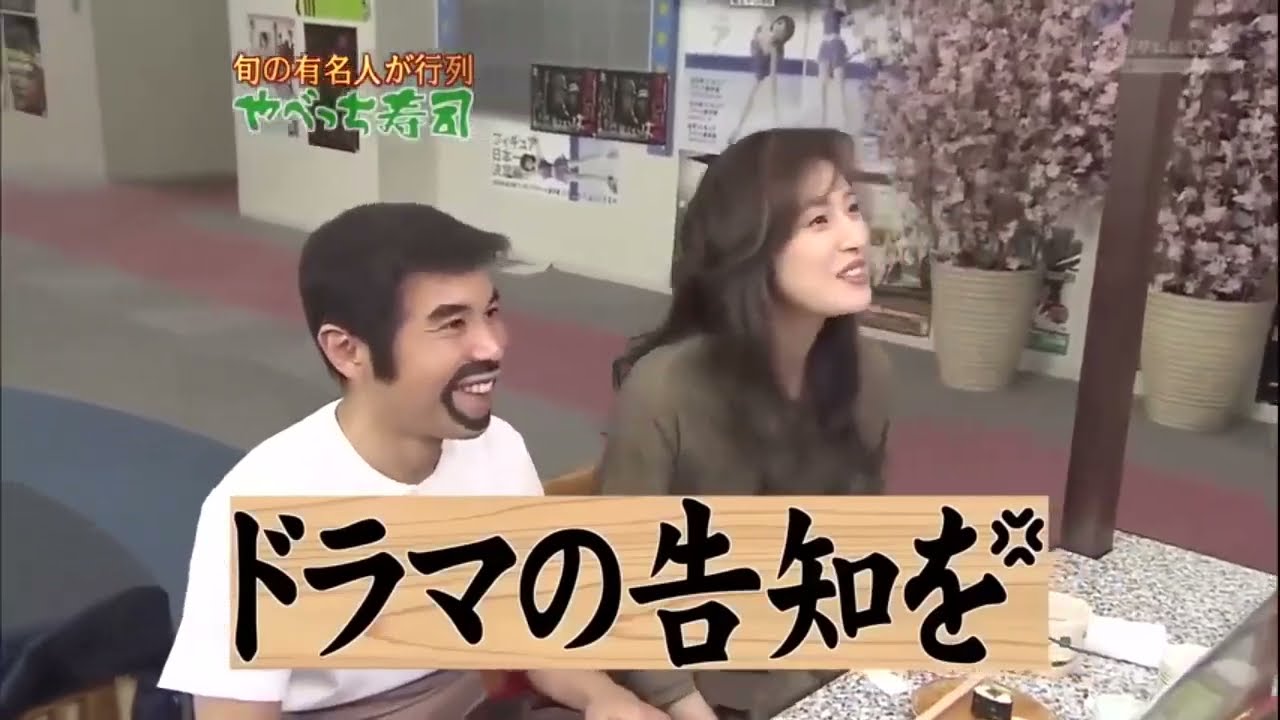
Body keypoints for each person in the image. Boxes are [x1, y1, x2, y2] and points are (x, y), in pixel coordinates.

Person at [158, 204, 666, 720]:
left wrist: (607, 700)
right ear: (347, 351)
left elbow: (539, 634)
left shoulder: (499, 448)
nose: (493, 345)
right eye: (452, 324)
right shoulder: (261, 508)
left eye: (491, 312)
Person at [600, 129, 892, 720]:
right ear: (751, 251)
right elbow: (622, 591)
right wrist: (686, 705)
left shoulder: (867, 373)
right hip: (696, 688)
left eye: (852, 209)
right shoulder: (665, 389)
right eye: (818, 221)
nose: (855, 237)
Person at [726, 15, 796, 145]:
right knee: (749, 101)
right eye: (779, 23)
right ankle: (737, 130)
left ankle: (738, 130)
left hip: (761, 70)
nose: (779, 28)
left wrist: (774, 95)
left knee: (751, 101)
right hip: (757, 60)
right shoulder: (764, 31)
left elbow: (773, 73)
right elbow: (757, 39)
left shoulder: (774, 49)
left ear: (784, 36)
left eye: (783, 30)